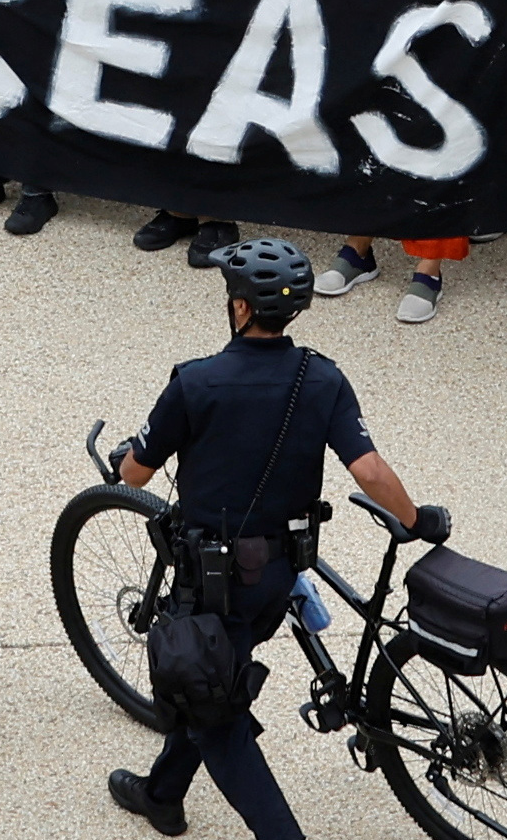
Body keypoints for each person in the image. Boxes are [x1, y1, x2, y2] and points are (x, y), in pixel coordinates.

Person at [102, 239, 438, 837]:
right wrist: (416, 520)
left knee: (214, 716)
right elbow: (369, 471)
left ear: (239, 309)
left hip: (213, 581)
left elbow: (134, 474)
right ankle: (161, 794)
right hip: (281, 575)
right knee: (206, 678)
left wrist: (129, 451)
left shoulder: (195, 382)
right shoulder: (322, 378)